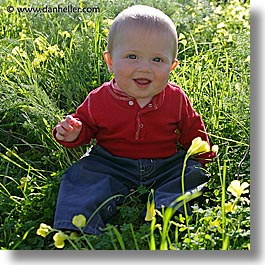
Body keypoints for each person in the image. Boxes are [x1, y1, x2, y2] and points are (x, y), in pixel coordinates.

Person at [52, 5, 215, 235]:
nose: (145, 67)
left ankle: (165, 216)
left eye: (157, 60)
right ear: (110, 61)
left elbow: (192, 128)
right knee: (81, 175)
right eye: (132, 57)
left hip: (165, 164)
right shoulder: (99, 99)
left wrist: (201, 157)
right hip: (111, 162)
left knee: (190, 174)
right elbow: (86, 125)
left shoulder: (175, 98)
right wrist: (74, 132)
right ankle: (78, 225)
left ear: (172, 66)